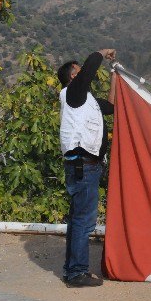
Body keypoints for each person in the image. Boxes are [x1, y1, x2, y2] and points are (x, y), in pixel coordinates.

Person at [56, 49, 116, 287]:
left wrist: (114, 77)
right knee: (83, 221)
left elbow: (110, 107)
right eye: (78, 69)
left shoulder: (86, 100)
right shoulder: (73, 93)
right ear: (73, 77)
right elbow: (91, 67)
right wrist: (101, 53)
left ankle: (72, 270)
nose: (83, 71)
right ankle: (77, 273)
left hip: (85, 165)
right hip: (84, 165)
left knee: (77, 220)